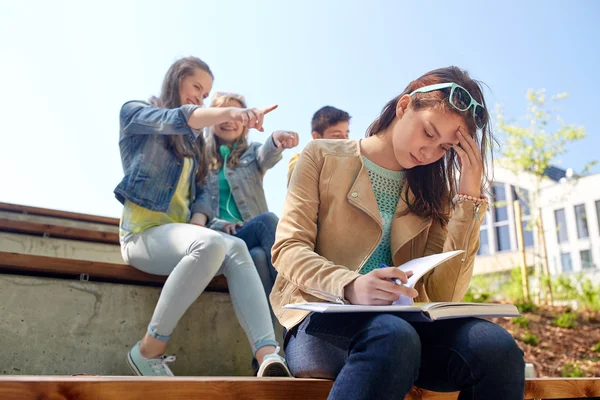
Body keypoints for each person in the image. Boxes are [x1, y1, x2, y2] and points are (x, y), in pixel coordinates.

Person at [271, 66, 525, 399]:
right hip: (318, 322)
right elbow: (287, 248)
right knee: (391, 335)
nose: (430, 152)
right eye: (428, 133)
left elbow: (443, 291)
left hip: (408, 328)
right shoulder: (321, 157)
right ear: (404, 106)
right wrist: (350, 285)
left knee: (496, 346)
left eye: (446, 148)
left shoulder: (434, 193)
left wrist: (468, 199)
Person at [115, 56, 290, 377]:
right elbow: (175, 118)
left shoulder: (192, 146)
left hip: (180, 237)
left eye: (205, 93)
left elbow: (202, 196)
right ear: (176, 79)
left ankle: (268, 355)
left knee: (234, 248)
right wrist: (229, 112)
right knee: (212, 244)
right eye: (197, 87)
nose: (200, 97)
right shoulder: (135, 112)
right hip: (142, 235)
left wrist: (199, 224)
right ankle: (147, 351)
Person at [205, 92, 298, 298]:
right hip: (220, 237)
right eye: (224, 114)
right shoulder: (200, 159)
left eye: (237, 116)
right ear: (211, 119)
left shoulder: (251, 153)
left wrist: (275, 140)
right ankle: (300, 295)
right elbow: (195, 204)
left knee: (257, 256)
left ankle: (282, 328)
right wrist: (220, 225)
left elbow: (266, 155)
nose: (230, 121)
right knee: (267, 220)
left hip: (251, 240)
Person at [287, 106, 350, 184]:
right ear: (317, 137)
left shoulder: (351, 163)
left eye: (346, 135)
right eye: (336, 136)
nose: (345, 141)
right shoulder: (300, 161)